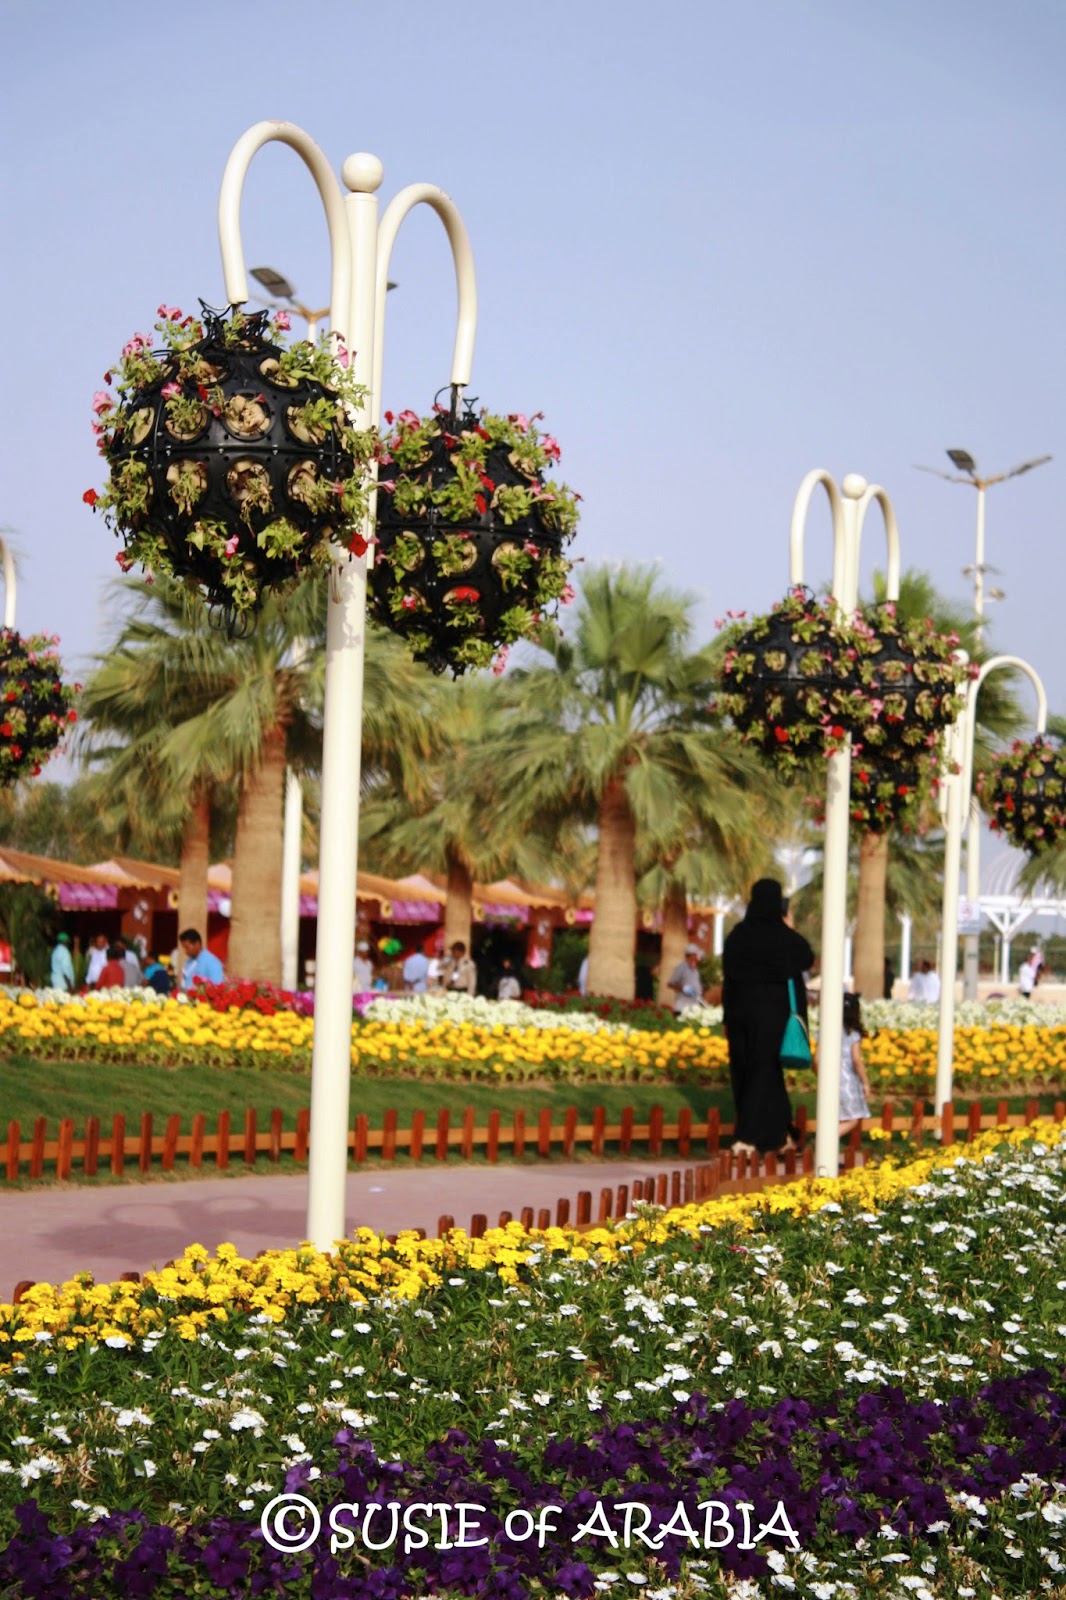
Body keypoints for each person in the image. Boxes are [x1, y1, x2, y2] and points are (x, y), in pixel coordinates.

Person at [722, 878, 814, 1156]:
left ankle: (774, 1134)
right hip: (773, 1019)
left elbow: (729, 978)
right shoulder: (784, 938)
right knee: (765, 1072)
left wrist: (727, 1017)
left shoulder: (738, 935)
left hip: (739, 1016)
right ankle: (752, 1137)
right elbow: (806, 957)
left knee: (746, 1073)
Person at [839, 991, 872, 1140]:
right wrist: (865, 1082)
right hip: (848, 1082)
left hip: (830, 1081)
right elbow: (856, 1060)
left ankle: (826, 1146)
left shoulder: (826, 1031)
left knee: (835, 1117)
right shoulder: (853, 1034)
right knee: (853, 1119)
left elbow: (817, 1060)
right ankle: (826, 1139)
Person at [668, 944, 705, 1014]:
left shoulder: (695, 970)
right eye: (695, 956)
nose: (697, 958)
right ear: (690, 956)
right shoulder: (681, 968)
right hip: (682, 1008)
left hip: (694, 1007)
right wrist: (683, 988)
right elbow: (670, 984)